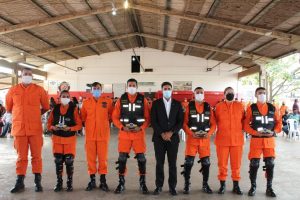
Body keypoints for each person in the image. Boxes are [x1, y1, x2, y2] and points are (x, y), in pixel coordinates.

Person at [6, 68, 50, 193]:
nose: (27, 76)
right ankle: (20, 182)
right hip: (19, 130)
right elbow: (8, 108)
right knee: (21, 157)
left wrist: (35, 115)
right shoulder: (13, 90)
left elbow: (46, 107)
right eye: (25, 74)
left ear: (32, 76)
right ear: (21, 75)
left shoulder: (39, 90)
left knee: (37, 156)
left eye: (30, 74)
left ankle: (38, 182)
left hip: (35, 129)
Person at [112, 78, 150, 194]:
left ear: (137, 87)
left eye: (134, 85)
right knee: (122, 159)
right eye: (130, 85)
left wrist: (141, 127)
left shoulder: (142, 100)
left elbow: (148, 118)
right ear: (127, 87)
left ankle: (143, 183)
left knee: (141, 159)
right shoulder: (121, 100)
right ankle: (121, 183)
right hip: (124, 134)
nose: (132, 87)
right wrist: (122, 127)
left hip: (138, 134)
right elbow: (115, 117)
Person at [244, 87, 282, 197]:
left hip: (269, 141)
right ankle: (253, 186)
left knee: (270, 164)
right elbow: (245, 124)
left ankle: (269, 188)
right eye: (260, 93)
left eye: (264, 93)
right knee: (254, 164)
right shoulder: (251, 108)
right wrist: (255, 133)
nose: (262, 95)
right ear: (256, 95)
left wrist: (274, 132)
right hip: (256, 141)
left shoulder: (273, 107)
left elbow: (279, 123)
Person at [181, 87, 216, 194]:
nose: (199, 94)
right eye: (197, 92)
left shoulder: (208, 107)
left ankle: (205, 184)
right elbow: (184, 123)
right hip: (192, 140)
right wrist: (191, 134)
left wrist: (208, 134)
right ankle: (187, 184)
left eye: (201, 92)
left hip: (204, 140)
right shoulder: (188, 107)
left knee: (206, 163)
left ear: (204, 94)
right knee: (188, 163)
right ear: (194, 94)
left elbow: (213, 123)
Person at [151, 82, 184, 196]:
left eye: (169, 88)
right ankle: (159, 186)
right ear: (161, 90)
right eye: (165, 88)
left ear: (172, 90)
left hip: (173, 139)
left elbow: (180, 121)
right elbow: (153, 121)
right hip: (159, 139)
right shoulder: (156, 104)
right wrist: (162, 133)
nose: (167, 90)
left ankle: (172, 187)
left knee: (172, 164)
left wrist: (171, 132)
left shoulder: (177, 104)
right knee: (159, 163)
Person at [81, 82, 113, 192]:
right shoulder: (86, 103)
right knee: (91, 159)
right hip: (90, 135)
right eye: (94, 88)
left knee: (103, 159)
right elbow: (83, 117)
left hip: (103, 135)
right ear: (91, 89)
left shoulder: (107, 101)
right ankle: (92, 180)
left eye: (98, 88)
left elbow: (111, 115)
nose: (96, 89)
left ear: (101, 89)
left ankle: (103, 181)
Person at [47, 90, 82, 192]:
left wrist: (70, 129)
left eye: (67, 96)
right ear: (60, 97)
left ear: (70, 98)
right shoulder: (55, 109)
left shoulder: (74, 109)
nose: (65, 97)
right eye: (63, 96)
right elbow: (49, 125)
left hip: (69, 140)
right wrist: (53, 127)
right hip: (57, 139)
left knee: (69, 161)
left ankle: (69, 183)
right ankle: (59, 182)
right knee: (58, 161)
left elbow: (79, 125)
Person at [214, 87, 245, 195]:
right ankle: (222, 185)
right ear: (224, 94)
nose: (230, 94)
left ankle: (236, 186)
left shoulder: (240, 106)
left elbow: (244, 121)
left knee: (236, 165)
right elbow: (214, 122)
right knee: (222, 165)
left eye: (232, 93)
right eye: (228, 93)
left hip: (237, 141)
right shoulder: (218, 107)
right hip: (222, 141)